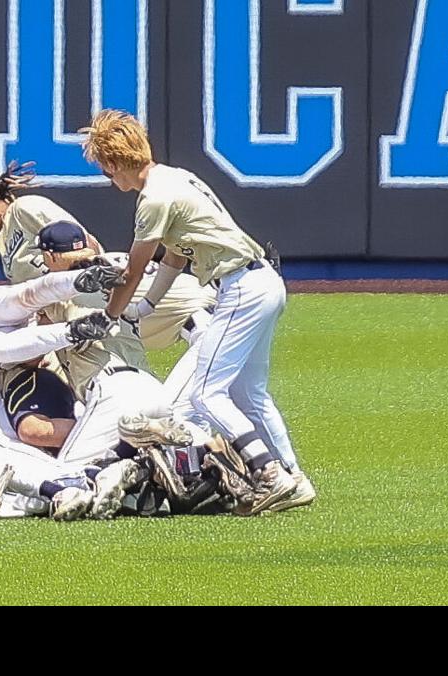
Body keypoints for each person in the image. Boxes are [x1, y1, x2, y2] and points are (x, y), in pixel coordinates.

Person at [79, 109, 314, 514]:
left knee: (206, 393)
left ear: (114, 163)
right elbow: (174, 253)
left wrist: (110, 317)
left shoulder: (152, 199)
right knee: (248, 393)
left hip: (241, 288)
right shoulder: (176, 176)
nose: (109, 178)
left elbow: (134, 269)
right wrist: (149, 305)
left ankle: (269, 473)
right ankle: (293, 477)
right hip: (265, 282)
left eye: (105, 170)